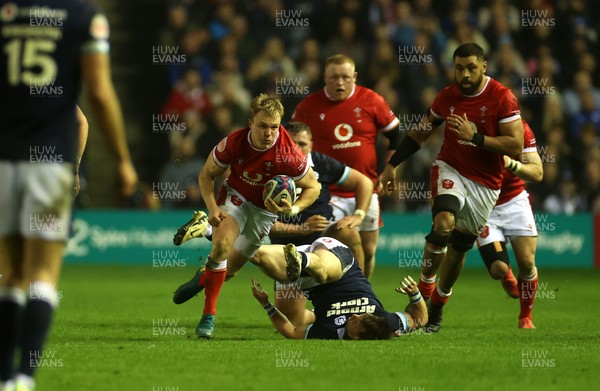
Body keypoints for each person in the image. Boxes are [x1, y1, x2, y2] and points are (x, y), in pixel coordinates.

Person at [0, 1, 138, 390]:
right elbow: (98, 91)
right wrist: (123, 160)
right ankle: (24, 379)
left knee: (10, 275)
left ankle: (3, 377)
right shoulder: (82, 17)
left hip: (5, 157)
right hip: (50, 162)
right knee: (42, 275)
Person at [381, 43, 524, 333]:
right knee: (444, 222)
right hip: (451, 168)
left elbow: (516, 144)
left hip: (487, 184)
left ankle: (437, 305)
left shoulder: (502, 97)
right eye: (459, 67)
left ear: (484, 66)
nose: (465, 73)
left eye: (472, 67)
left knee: (459, 250)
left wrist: (476, 137)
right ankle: (423, 287)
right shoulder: (447, 97)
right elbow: (421, 131)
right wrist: (392, 164)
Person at [171, 94, 320, 338]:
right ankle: (209, 316)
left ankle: (201, 280)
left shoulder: (289, 153)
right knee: (221, 246)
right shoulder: (234, 143)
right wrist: (213, 209)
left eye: (274, 127)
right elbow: (206, 175)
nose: (269, 133)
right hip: (237, 197)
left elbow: (313, 188)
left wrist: (292, 210)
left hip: (264, 213)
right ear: (251, 123)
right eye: (262, 126)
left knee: (228, 271)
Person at [291, 54, 401, 279]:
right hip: (328, 192)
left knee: (368, 251)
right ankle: (339, 294)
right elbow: (292, 142)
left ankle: (362, 291)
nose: (340, 82)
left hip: (366, 188)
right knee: (334, 246)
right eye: (334, 78)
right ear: (325, 77)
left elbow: (396, 134)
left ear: (355, 77)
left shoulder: (371, 100)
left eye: (345, 77)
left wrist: (390, 167)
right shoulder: (308, 106)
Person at [269, 121, 373, 326]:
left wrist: (358, 215)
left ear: (311, 145)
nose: (297, 149)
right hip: (287, 250)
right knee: (292, 319)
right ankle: (321, 314)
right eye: (291, 143)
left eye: (303, 144)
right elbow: (263, 225)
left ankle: (359, 295)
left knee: (349, 233)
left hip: (324, 240)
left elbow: (364, 182)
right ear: (281, 144)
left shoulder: (321, 163)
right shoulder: (269, 168)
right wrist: (302, 228)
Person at [250, 237, 428, 339]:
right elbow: (420, 318)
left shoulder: (330, 331)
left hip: (305, 281)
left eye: (356, 322)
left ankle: (238, 244)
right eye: (361, 315)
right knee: (323, 272)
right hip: (339, 263)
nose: (355, 316)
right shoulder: (385, 322)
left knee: (257, 257)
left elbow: (291, 331)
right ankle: (304, 260)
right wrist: (415, 294)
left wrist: (266, 304)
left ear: (356, 338)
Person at [476, 120, 543, 329]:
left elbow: (537, 173)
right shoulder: (473, 128)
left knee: (526, 262)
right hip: (484, 204)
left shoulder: (522, 129)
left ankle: (525, 317)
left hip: (514, 201)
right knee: (497, 269)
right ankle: (506, 274)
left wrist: (511, 164)